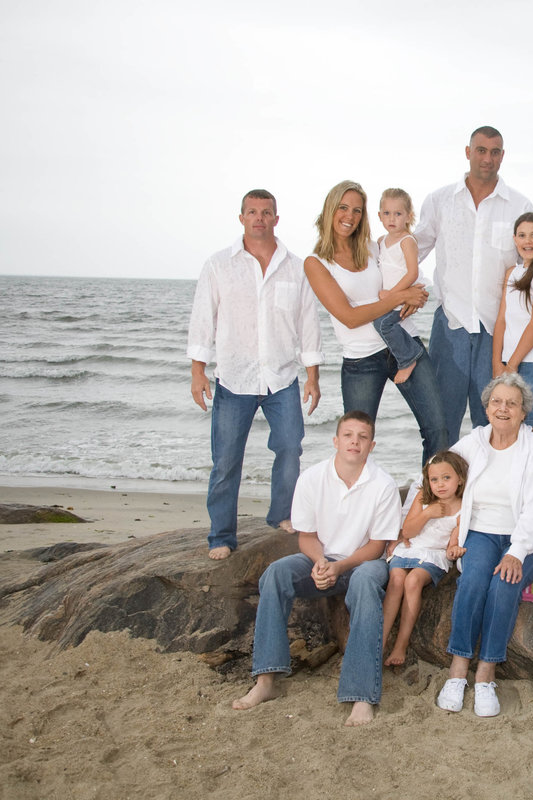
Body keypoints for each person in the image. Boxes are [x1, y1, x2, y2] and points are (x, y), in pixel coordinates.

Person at [231, 411, 400, 727]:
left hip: (363, 564)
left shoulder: (383, 485)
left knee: (364, 584)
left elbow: (377, 547)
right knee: (276, 574)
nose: (355, 442)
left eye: (363, 437)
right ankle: (266, 680)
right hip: (321, 559)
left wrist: (340, 567)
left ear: (372, 445)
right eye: (348, 435)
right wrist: (322, 562)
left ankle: (361, 696)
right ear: (336, 441)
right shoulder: (312, 477)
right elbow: (306, 537)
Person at [187, 189, 322, 560]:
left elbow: (307, 322)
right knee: (227, 459)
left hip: (281, 377)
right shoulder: (219, 265)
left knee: (290, 446)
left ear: (276, 218)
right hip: (234, 378)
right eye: (252, 212)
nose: (259, 218)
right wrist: (198, 371)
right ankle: (221, 536)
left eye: (266, 212)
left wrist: (313, 375)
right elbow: (203, 319)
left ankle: (282, 513)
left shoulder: (296, 267)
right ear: (241, 217)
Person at [302, 180, 447, 467]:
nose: (350, 216)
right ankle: (358, 505)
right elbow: (350, 317)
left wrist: (415, 295)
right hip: (361, 361)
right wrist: (399, 296)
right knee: (356, 444)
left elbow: (406, 277)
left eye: (357, 210)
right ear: (330, 210)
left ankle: (432, 503)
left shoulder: (374, 247)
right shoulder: (316, 262)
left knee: (438, 430)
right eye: (343, 208)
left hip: (405, 346)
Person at [435, 373, 533, 717]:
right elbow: (436, 478)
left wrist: (517, 552)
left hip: (526, 538)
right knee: (472, 581)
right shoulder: (471, 444)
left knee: (504, 584)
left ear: (523, 412)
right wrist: (454, 529)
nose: (504, 409)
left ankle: (486, 674)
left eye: (512, 403)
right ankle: (458, 670)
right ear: (486, 408)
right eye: (497, 402)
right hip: (481, 532)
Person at [414, 126, 533, 444]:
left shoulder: (519, 206)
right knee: (441, 422)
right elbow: (414, 249)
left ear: (503, 156)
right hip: (451, 324)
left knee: (495, 421)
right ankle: (439, 493)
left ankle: (492, 492)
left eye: (495, 152)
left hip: (498, 329)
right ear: (468, 152)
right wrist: (403, 289)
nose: (487, 158)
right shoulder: (440, 200)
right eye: (481, 150)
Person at [383, 450, 469, 667]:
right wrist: (427, 513)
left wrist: (454, 551)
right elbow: (408, 531)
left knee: (412, 582)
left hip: (433, 555)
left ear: (459, 479)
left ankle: (401, 644)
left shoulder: (462, 508)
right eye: (434, 479)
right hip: (409, 549)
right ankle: (380, 640)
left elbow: (452, 544)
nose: (440, 484)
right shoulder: (423, 497)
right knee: (396, 581)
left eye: (446, 478)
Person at [492, 212, 533, 434]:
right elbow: (501, 319)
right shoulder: (512, 272)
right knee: (506, 430)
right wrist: (497, 364)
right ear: (514, 239)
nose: (527, 241)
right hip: (506, 364)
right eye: (521, 235)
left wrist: (512, 366)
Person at [371, 188, 422, 385]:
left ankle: (408, 358)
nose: (392, 218)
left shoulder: (407, 241)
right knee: (379, 322)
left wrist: (393, 294)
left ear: (408, 216)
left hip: (398, 300)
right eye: (387, 213)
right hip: (388, 300)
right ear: (379, 216)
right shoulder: (381, 241)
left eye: (398, 214)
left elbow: (412, 273)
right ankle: (404, 352)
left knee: (383, 324)